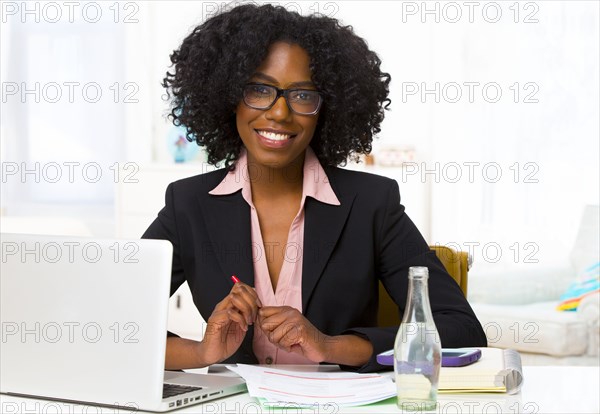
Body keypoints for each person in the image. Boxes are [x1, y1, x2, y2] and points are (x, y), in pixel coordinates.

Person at [143, 3, 487, 373]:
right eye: (259, 90)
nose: (279, 113)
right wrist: (201, 354)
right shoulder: (188, 205)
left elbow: (461, 330)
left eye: (303, 95)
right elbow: (105, 322)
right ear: (228, 98)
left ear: (327, 109)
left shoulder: (370, 204)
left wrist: (330, 346)